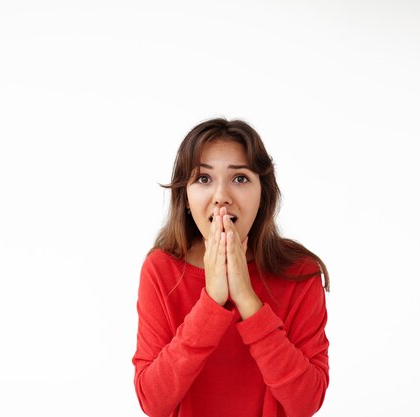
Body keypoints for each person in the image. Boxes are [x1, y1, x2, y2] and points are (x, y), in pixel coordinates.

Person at [132, 118, 330, 417]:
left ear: (262, 193)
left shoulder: (300, 272)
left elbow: (306, 403)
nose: (221, 196)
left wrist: (247, 298)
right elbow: (153, 402)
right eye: (203, 179)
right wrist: (212, 300)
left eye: (240, 178)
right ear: (185, 198)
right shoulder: (161, 270)